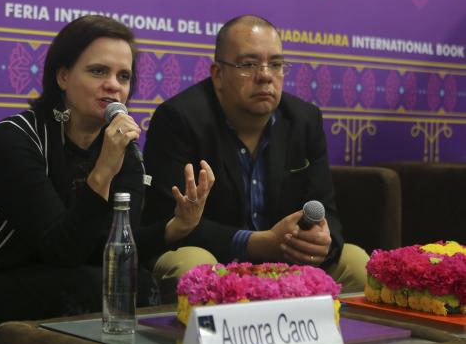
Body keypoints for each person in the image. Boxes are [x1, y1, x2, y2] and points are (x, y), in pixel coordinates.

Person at [0, 15, 214, 344]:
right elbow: (62, 247)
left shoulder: (126, 154)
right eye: (98, 71)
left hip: (52, 279)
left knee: (136, 283)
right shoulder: (13, 140)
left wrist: (176, 228)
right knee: (95, 287)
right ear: (62, 76)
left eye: (123, 76)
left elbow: (111, 248)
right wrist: (104, 169)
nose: (113, 85)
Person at [142, 15, 369, 302]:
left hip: (283, 260)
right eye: (248, 65)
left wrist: (322, 241)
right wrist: (256, 243)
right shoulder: (179, 119)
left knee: (356, 264)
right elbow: (169, 221)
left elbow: (327, 209)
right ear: (218, 74)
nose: (265, 75)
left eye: (276, 64)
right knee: (192, 265)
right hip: (215, 258)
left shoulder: (304, 120)